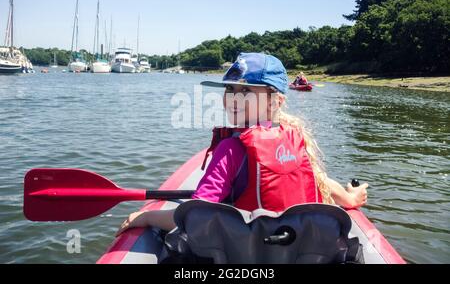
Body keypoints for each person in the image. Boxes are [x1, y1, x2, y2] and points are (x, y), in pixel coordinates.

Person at [117, 53, 368, 235]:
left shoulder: (231, 149)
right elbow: (322, 181)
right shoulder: (295, 137)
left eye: (246, 91)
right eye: (230, 90)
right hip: (300, 251)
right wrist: (350, 197)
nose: (233, 99)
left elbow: (195, 216)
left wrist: (146, 216)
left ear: (275, 101)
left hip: (249, 253)